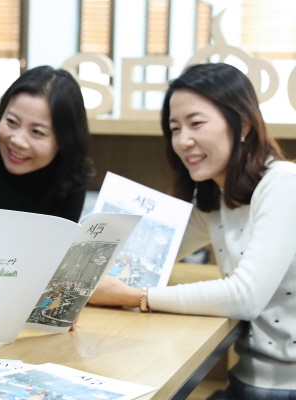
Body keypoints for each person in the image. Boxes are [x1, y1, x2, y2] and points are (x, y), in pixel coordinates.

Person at [88, 63, 296, 399]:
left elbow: (245, 297)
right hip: (248, 381)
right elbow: (144, 255)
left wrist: (134, 297)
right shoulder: (216, 198)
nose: (183, 141)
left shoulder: (284, 184)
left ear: (242, 124)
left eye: (196, 123)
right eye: (174, 128)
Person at [0, 66, 95, 243]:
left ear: (64, 140)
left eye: (37, 132)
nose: (18, 140)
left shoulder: (72, 172)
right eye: (12, 122)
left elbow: (59, 248)